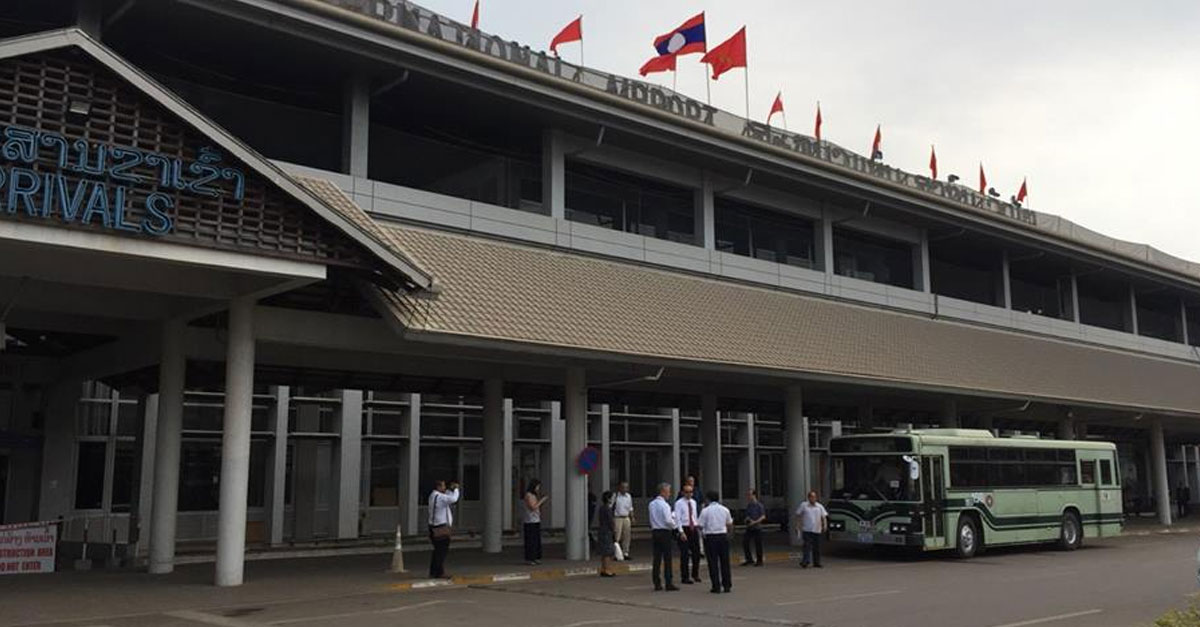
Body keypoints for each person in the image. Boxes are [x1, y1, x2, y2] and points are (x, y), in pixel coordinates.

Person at [698, 490, 734, 593]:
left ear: (708, 499)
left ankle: (716, 586)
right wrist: (729, 535)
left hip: (711, 537)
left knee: (713, 562)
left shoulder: (705, 511)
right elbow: (729, 524)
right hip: (722, 536)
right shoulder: (725, 509)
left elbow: (700, 525)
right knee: (725, 561)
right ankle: (727, 585)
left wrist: (703, 533)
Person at [648, 482, 681, 591]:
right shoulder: (665, 505)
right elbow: (668, 520)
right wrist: (674, 524)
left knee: (656, 558)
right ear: (663, 491)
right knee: (667, 558)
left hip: (655, 531)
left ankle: (656, 582)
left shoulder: (651, 504)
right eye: (668, 491)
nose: (669, 494)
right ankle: (668, 582)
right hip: (664, 532)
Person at [427, 479, 460, 579]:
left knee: (437, 550)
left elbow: (447, 497)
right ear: (438, 487)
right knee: (442, 551)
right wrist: (456, 489)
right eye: (443, 486)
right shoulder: (440, 497)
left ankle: (434, 571)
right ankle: (438, 572)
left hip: (433, 526)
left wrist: (450, 489)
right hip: (440, 527)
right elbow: (453, 499)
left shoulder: (433, 496)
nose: (444, 488)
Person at [674, 482, 702, 584]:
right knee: (685, 554)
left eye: (691, 492)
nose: (689, 494)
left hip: (693, 527)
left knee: (696, 553)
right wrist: (681, 532)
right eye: (687, 492)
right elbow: (678, 518)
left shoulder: (693, 502)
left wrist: (697, 526)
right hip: (684, 528)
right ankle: (685, 576)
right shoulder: (679, 503)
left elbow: (694, 515)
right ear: (682, 493)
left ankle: (695, 574)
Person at [794, 490, 828, 569]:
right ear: (808, 498)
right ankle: (805, 561)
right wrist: (797, 526)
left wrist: (825, 525)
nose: (813, 498)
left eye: (814, 497)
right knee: (807, 546)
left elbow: (824, 517)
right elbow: (798, 515)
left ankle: (817, 562)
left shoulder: (819, 506)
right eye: (812, 497)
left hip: (817, 529)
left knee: (817, 547)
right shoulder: (804, 505)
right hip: (807, 529)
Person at [523, 479, 549, 565]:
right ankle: (530, 558)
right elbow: (533, 507)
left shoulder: (534, 495)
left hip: (536, 519)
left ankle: (536, 557)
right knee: (531, 540)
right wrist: (542, 500)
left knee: (536, 540)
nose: (538, 488)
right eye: (537, 486)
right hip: (530, 521)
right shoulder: (529, 495)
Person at [596, 491, 617, 577]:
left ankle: (603, 568)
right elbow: (611, 521)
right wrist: (614, 530)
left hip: (602, 530)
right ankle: (607, 570)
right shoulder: (607, 509)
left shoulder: (602, 508)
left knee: (604, 552)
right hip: (607, 532)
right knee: (608, 552)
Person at [742, 488, 766, 567]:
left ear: (754, 495)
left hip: (757, 527)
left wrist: (755, 522)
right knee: (745, 542)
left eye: (750, 495)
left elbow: (763, 516)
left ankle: (759, 560)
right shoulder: (749, 505)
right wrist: (747, 519)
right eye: (748, 495)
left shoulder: (759, 505)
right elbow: (747, 515)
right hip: (749, 527)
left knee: (758, 544)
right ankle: (749, 559)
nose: (748, 496)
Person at [613, 481, 634, 560]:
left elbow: (630, 507)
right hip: (618, 517)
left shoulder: (628, 496)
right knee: (617, 536)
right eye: (623, 487)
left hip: (626, 517)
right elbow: (612, 506)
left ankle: (626, 552)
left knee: (627, 535)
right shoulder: (615, 496)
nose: (625, 489)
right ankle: (616, 553)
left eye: (626, 487)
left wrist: (632, 517)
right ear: (619, 488)